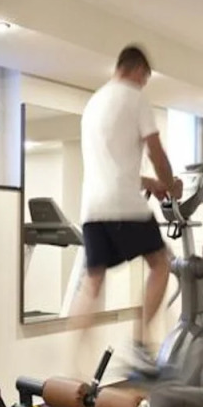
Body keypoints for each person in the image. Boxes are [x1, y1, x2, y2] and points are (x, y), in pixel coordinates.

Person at [71, 45, 182, 366]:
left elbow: (114, 166)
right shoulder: (135, 98)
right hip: (124, 206)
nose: (143, 84)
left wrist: (151, 184)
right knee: (162, 263)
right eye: (145, 79)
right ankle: (141, 342)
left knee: (92, 281)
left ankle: (73, 364)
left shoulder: (94, 103)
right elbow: (156, 152)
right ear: (138, 71)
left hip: (92, 209)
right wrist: (170, 185)